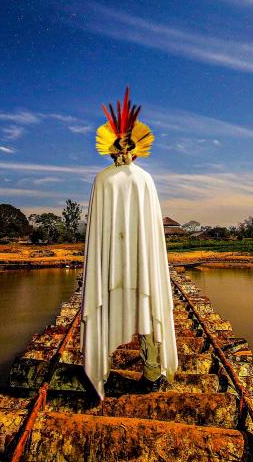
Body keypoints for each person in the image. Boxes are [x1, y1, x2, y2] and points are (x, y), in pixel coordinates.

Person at [81, 88, 178, 398]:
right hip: (141, 265)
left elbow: (98, 229)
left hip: (109, 267)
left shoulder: (101, 179)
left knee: (107, 308)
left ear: (110, 150)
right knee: (147, 309)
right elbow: (151, 231)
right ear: (136, 150)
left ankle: (102, 369)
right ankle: (151, 374)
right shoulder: (145, 179)